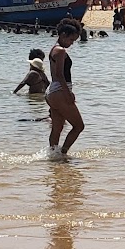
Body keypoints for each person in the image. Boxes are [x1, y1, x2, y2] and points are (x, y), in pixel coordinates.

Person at [45, 20, 85, 160]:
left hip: (52, 92)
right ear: (63, 35)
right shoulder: (61, 51)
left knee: (57, 129)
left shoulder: (53, 49)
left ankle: (52, 156)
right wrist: (68, 93)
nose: (71, 43)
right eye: (71, 39)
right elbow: (60, 74)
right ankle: (63, 154)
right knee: (79, 126)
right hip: (60, 91)